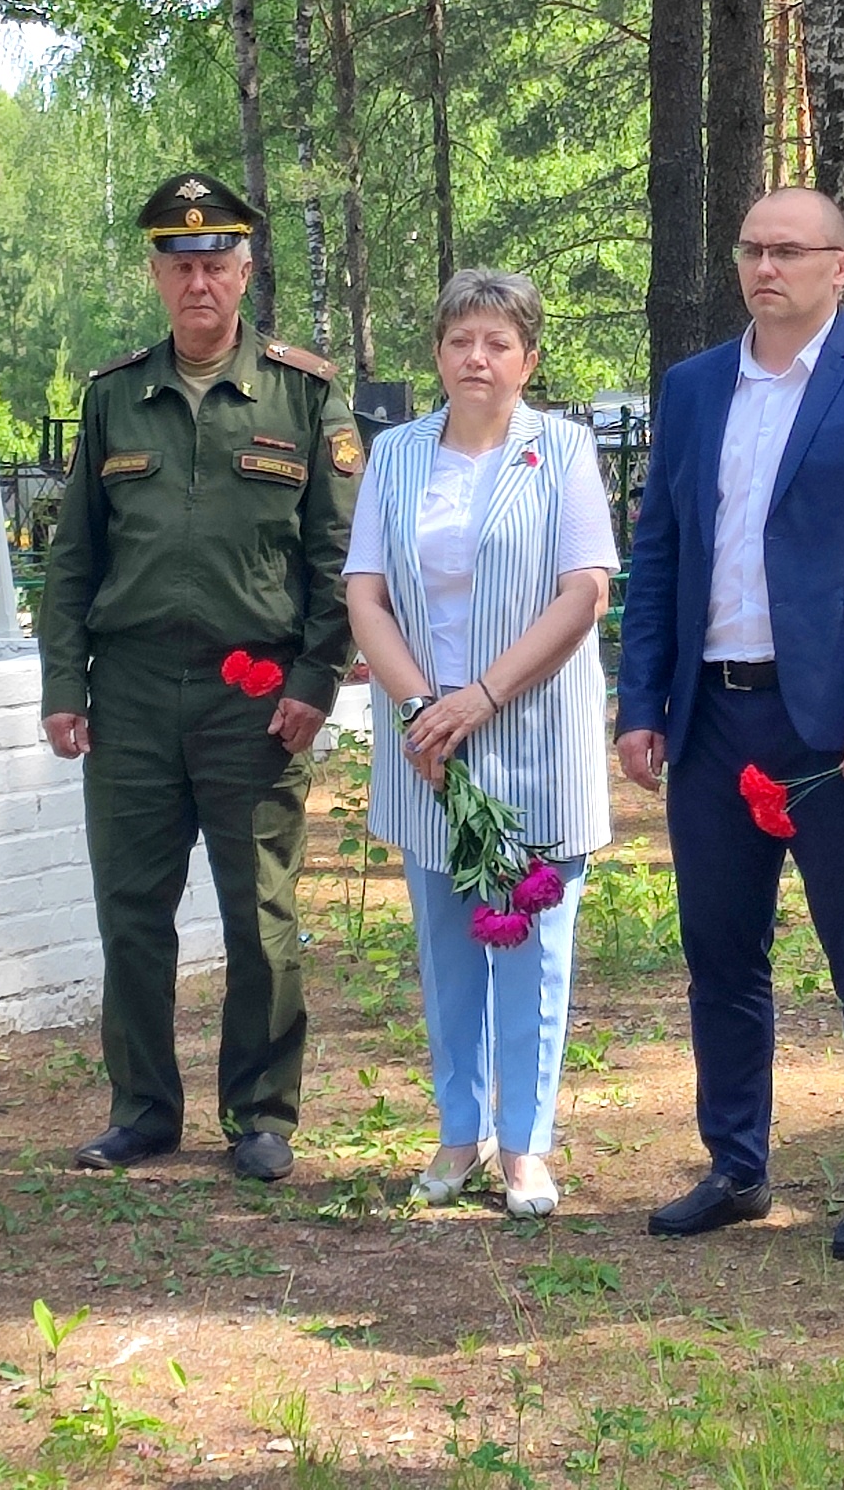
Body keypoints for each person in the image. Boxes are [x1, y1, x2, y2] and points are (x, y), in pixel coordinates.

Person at [615, 186, 844, 1260]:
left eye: (789, 250)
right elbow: (662, 549)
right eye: (751, 248)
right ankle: (734, 1163)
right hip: (712, 711)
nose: (766, 267)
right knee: (720, 951)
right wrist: (640, 701)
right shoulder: (694, 386)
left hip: (836, 723)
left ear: (842, 264)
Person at [37, 170, 361, 1182]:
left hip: (255, 695)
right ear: (156, 274)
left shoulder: (303, 396)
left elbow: (338, 556)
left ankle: (260, 1112)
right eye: (180, 267)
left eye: (216, 265)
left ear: (245, 271)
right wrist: (63, 684)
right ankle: (141, 1108)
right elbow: (73, 557)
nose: (198, 285)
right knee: (130, 911)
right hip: (130, 690)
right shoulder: (111, 399)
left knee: (257, 913)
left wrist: (315, 679)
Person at [343, 271, 615, 1218]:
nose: (477, 358)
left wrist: (482, 697)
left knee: (534, 951)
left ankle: (526, 1147)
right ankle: (458, 1134)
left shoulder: (566, 450)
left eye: (498, 343)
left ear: (528, 359)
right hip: (428, 747)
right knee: (449, 947)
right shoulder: (398, 455)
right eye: (461, 340)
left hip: (533, 735)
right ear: (438, 354)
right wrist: (424, 705)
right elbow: (366, 592)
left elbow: (584, 591)